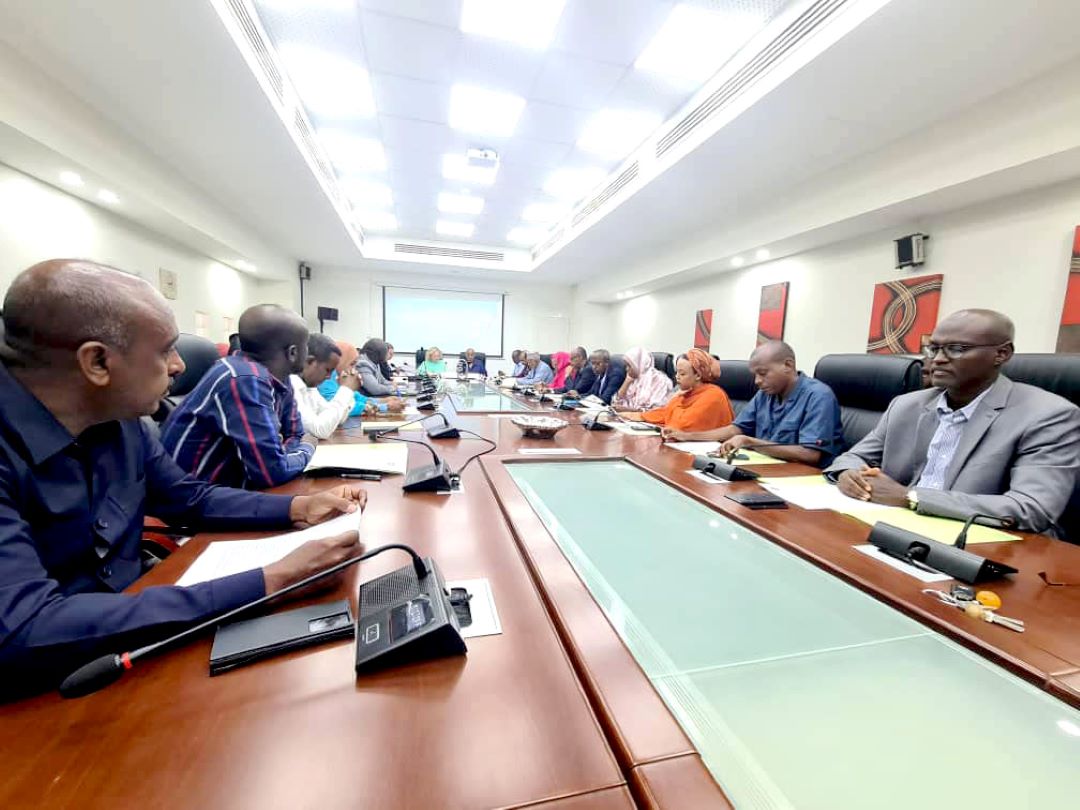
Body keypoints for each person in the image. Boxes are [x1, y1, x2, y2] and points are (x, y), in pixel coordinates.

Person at [0, 260, 365, 698]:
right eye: (165, 351)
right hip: (49, 686)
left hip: (136, 626)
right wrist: (272, 580)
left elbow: (188, 499)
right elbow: (26, 627)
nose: (178, 367)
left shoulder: (119, 418)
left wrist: (297, 507)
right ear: (97, 362)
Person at [827, 309, 1080, 536]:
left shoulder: (1049, 415)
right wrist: (849, 475)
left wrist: (911, 497)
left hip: (989, 547)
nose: (937, 359)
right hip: (899, 528)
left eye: (957, 349)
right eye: (933, 348)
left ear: (1001, 354)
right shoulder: (906, 405)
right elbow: (851, 457)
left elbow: (1031, 508)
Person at [162, 304, 318, 488]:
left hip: (233, 493)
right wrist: (308, 448)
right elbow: (273, 472)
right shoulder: (243, 379)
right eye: (305, 346)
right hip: (194, 501)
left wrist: (284, 454)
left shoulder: (280, 377)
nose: (308, 351)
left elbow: (294, 433)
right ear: (292, 352)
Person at [663, 341, 843, 467]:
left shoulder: (818, 396)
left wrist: (749, 442)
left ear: (788, 365)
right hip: (763, 469)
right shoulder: (765, 393)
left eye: (763, 373)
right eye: (755, 375)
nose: (757, 381)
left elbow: (810, 454)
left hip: (802, 479)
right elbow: (735, 430)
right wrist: (687, 436)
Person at [620, 349, 732, 431]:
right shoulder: (687, 392)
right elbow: (664, 413)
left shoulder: (713, 395)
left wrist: (675, 399)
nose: (677, 377)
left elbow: (681, 425)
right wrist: (631, 415)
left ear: (698, 375)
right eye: (677, 372)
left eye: (682, 373)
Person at [291, 334, 370, 440]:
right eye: (327, 370)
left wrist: (348, 391)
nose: (328, 377)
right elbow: (319, 430)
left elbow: (337, 419)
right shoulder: (291, 386)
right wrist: (346, 390)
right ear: (310, 362)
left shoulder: (310, 387)